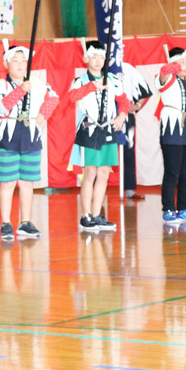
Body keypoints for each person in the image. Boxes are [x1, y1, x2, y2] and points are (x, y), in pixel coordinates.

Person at [0, 42, 59, 241]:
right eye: (15, 60)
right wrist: (21, 90)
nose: (20, 65)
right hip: (7, 138)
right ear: (6, 63)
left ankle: (25, 222)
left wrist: (42, 115)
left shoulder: (36, 83)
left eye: (23, 60)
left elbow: (54, 97)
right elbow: (0, 108)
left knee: (27, 182)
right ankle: (5, 223)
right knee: (8, 182)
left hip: (30, 136)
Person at [67, 40, 129, 233]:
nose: (98, 61)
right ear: (86, 58)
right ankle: (85, 216)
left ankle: (96, 215)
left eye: (102, 57)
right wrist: (93, 86)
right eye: (94, 57)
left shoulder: (112, 79)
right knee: (90, 173)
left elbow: (124, 100)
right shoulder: (81, 81)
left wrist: (121, 115)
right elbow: (72, 97)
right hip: (90, 129)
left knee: (103, 173)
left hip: (108, 130)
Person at [156, 47, 186, 223]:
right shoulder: (167, 79)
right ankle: (168, 209)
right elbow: (164, 71)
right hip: (172, 127)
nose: (185, 65)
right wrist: (178, 66)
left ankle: (183, 209)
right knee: (172, 171)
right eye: (180, 61)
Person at [120, 63, 152, 201]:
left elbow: (145, 90)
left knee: (128, 151)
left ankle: (129, 189)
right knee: (102, 153)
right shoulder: (100, 66)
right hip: (104, 118)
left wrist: (137, 105)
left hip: (126, 116)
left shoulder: (127, 68)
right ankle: (96, 189)